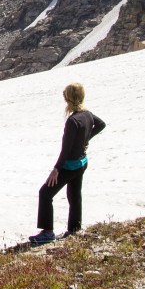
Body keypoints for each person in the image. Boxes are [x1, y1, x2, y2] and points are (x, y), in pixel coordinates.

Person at [29, 82, 106, 244]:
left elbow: (66, 150)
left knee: (45, 193)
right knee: (74, 195)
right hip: (82, 162)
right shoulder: (87, 114)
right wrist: (85, 139)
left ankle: (47, 232)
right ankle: (74, 229)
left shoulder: (72, 121)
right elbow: (101, 124)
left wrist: (56, 169)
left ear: (68, 98)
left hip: (69, 165)